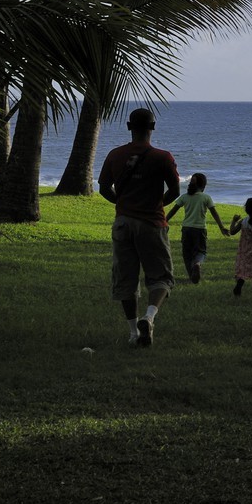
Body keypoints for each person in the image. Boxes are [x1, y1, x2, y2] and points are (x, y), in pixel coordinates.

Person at [98, 107, 181, 348]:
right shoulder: (163, 157)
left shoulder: (115, 155)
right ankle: (150, 316)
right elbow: (175, 191)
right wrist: (158, 203)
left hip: (123, 223)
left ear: (128, 126)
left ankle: (134, 332)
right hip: (152, 223)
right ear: (153, 127)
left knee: (126, 278)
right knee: (161, 276)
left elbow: (104, 187)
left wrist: (121, 203)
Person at [165, 173, 229, 284]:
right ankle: (197, 264)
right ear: (203, 186)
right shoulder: (206, 197)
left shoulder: (184, 197)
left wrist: (164, 220)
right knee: (201, 251)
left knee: (187, 253)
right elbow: (214, 213)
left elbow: (173, 210)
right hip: (200, 229)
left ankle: (191, 276)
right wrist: (221, 227)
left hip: (186, 229)